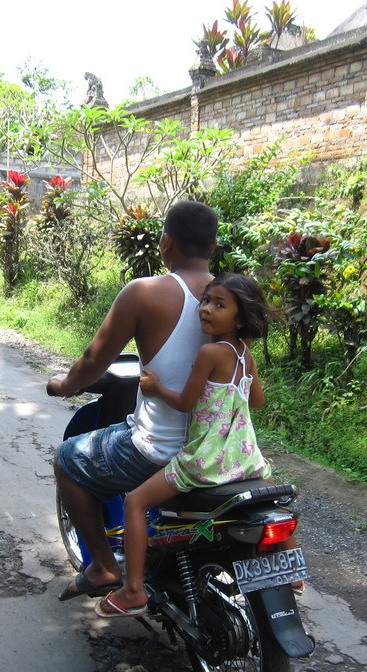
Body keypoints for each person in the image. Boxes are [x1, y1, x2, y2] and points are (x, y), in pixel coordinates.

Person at [47, 200, 218, 602]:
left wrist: (64, 385)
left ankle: (104, 567)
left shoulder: (144, 292)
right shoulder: (231, 295)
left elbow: (94, 360)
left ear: (165, 243)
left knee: (67, 459)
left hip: (159, 448)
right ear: (212, 247)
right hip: (220, 445)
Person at [94, 274, 276, 618]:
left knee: (135, 502)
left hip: (204, 459)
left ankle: (133, 591)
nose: (206, 309)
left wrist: (155, 388)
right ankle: (290, 574)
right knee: (272, 498)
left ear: (239, 319)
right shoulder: (244, 355)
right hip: (243, 458)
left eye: (219, 305)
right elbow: (258, 401)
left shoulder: (209, 352)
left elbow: (185, 403)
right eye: (205, 301)